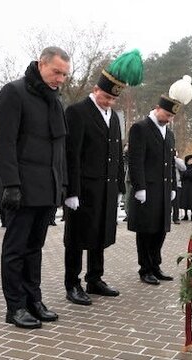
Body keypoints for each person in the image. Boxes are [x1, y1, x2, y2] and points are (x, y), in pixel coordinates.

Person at [0, 46, 70, 329]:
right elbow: (5, 143)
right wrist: (11, 184)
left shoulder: (54, 100)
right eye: (56, 72)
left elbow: (59, 147)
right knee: (15, 250)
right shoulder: (14, 93)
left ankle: (33, 300)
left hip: (46, 189)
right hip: (21, 189)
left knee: (34, 249)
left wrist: (61, 184)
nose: (60, 79)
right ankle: (14, 307)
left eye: (64, 74)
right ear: (42, 64)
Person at [63, 50, 143, 306]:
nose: (109, 102)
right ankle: (72, 283)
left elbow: (117, 153)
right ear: (96, 89)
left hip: (106, 187)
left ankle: (94, 278)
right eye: (106, 96)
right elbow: (71, 154)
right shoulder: (77, 111)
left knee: (100, 234)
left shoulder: (114, 118)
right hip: (84, 188)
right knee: (76, 237)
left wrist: (119, 184)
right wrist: (71, 191)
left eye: (113, 99)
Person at [128, 75, 192, 285]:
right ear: (157, 108)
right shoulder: (141, 128)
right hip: (147, 189)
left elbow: (170, 162)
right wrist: (139, 187)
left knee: (160, 230)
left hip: (164, 189)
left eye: (172, 116)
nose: (169, 119)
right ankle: (144, 268)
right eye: (166, 114)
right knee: (146, 230)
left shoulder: (170, 134)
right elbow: (136, 160)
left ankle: (155, 265)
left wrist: (173, 186)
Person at [180, 154, 192, 221]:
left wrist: (189, 174)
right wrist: (190, 174)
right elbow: (182, 176)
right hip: (185, 186)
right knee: (185, 201)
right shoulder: (184, 167)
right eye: (190, 160)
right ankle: (185, 215)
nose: (191, 161)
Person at [172, 152, 186, 224]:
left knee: (176, 202)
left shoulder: (179, 160)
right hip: (167, 183)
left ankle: (175, 217)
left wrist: (175, 159)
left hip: (177, 183)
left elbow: (183, 168)